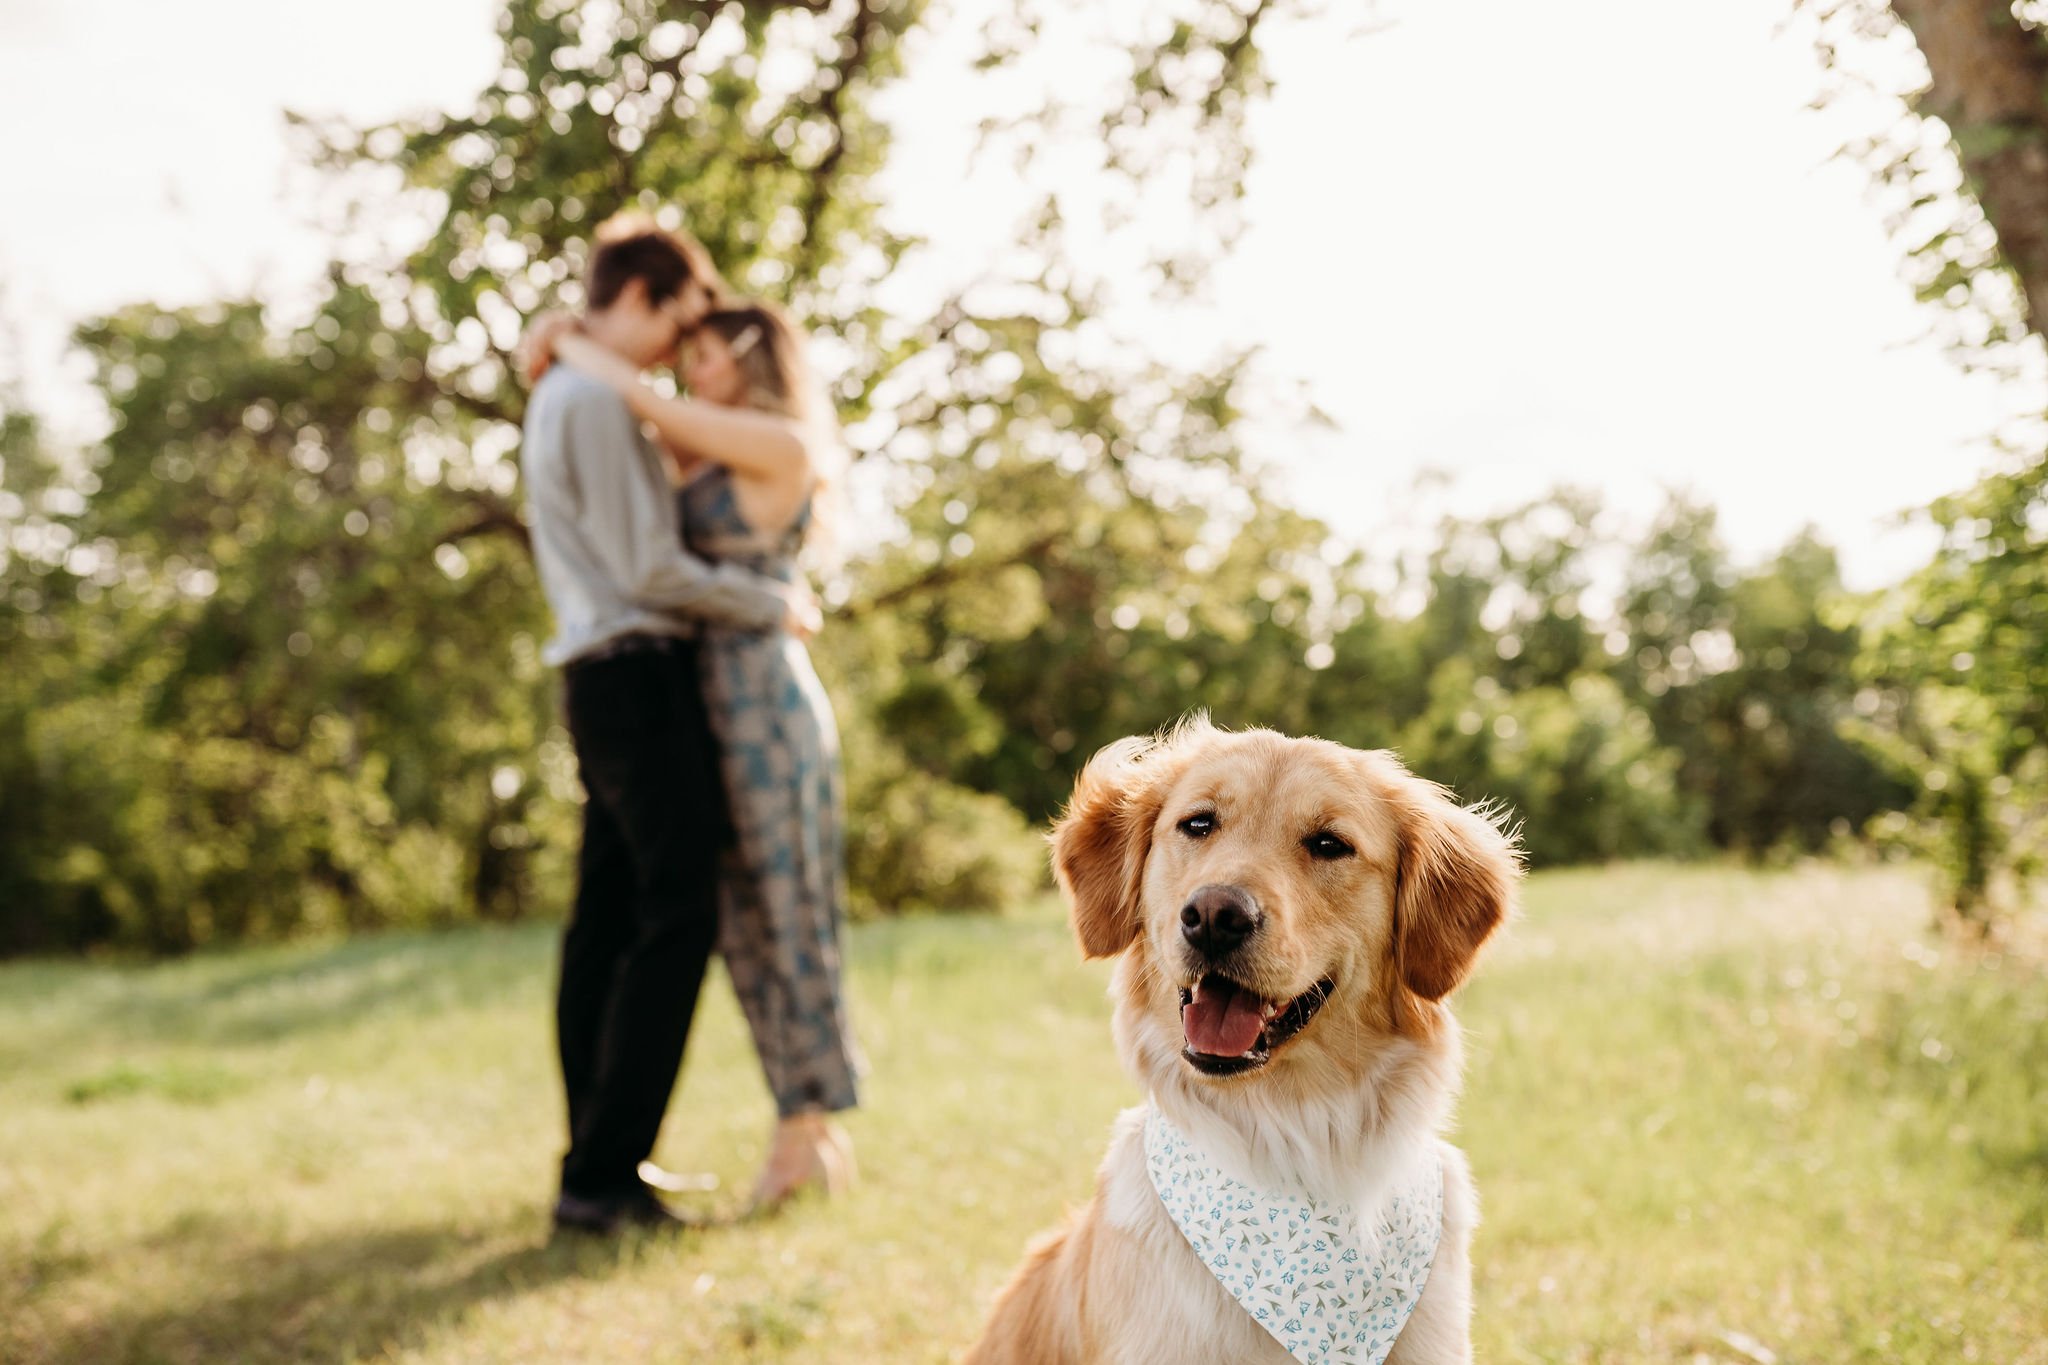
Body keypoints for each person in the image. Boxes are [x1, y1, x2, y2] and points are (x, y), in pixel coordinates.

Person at [522, 296, 861, 1212]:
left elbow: (645, 403)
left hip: (765, 702)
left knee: (789, 918)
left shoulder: (780, 443)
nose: (688, 370)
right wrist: (560, 335)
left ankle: (805, 1127)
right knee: (740, 923)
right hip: (706, 697)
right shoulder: (703, 446)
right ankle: (799, 1128)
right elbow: (634, 436)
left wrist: (577, 344)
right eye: (686, 353)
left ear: (752, 357)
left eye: (705, 355)